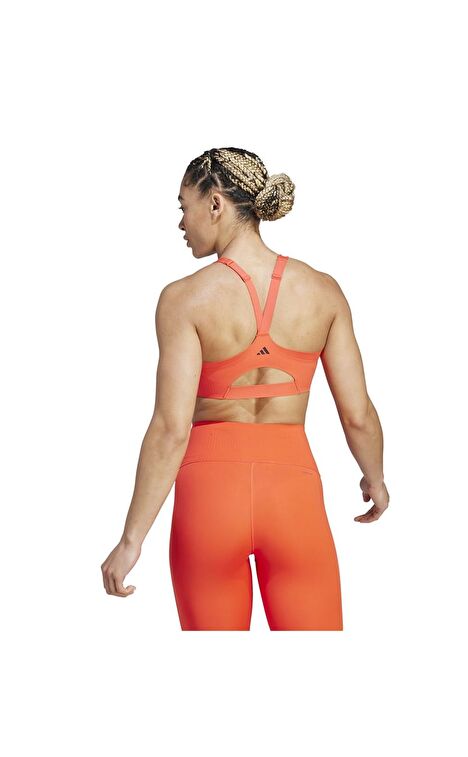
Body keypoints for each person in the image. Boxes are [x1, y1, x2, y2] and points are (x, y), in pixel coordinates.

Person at [101, 146, 389, 630]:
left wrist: (131, 540)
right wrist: (374, 478)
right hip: (293, 496)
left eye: (184, 206)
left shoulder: (184, 299)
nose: (181, 223)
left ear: (215, 203)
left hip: (209, 500)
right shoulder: (323, 291)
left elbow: (171, 429)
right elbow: (357, 413)